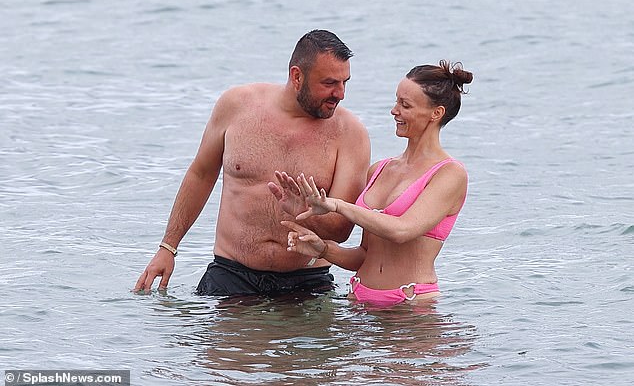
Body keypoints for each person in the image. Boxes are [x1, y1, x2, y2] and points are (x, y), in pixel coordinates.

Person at [133, 30, 371, 296]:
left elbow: (341, 231)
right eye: (329, 83)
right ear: (297, 76)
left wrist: (305, 212)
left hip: (308, 281)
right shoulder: (237, 106)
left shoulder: (350, 134)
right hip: (230, 274)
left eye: (344, 82)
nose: (340, 94)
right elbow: (200, 175)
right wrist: (168, 248)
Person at [275, 60, 473, 306]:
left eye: (405, 105)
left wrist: (337, 205)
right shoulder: (378, 170)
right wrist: (323, 249)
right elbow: (365, 256)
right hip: (359, 302)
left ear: (436, 113)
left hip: (410, 306)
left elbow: (401, 230)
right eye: (396, 101)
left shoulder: (449, 174)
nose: (394, 110)